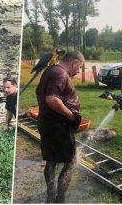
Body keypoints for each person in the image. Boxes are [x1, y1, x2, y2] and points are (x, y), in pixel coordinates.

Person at [36, 50, 84, 203]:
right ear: (74, 62)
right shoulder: (61, 74)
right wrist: (71, 116)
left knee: (51, 160)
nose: (78, 71)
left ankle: (50, 196)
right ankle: (59, 199)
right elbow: (52, 99)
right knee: (70, 162)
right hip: (59, 126)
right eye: (79, 67)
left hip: (46, 122)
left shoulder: (50, 70)